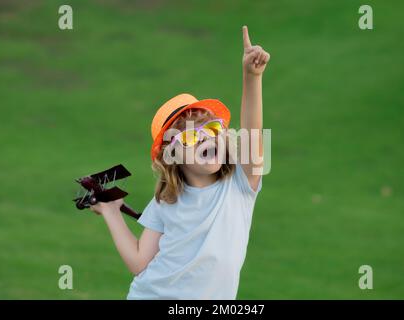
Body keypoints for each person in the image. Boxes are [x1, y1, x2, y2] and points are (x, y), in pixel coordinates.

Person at [91, 26, 270, 299]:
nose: (203, 139)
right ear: (171, 156)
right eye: (188, 137)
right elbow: (140, 263)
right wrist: (111, 212)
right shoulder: (165, 201)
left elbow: (253, 131)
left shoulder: (240, 185)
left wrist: (251, 76)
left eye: (211, 129)